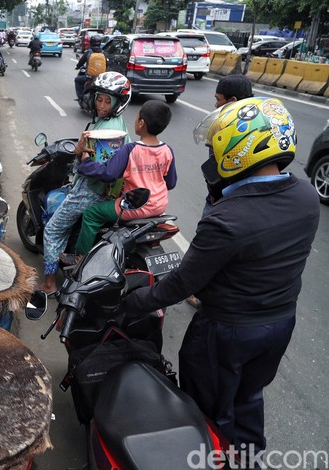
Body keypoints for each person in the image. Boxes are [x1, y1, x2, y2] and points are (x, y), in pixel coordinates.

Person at [122, 97, 320, 464]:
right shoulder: (307, 197)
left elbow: (182, 284)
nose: (211, 161)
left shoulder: (227, 218)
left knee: (209, 413)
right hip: (278, 325)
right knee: (249, 397)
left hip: (226, 333)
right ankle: (251, 458)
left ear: (237, 151)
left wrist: (134, 301)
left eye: (216, 149)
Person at [37, 72, 132, 294]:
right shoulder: (119, 124)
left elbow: (92, 166)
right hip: (108, 193)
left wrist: (80, 153)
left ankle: (50, 285)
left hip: (88, 190)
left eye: (108, 101)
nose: (102, 105)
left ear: (118, 102)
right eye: (100, 99)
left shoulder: (105, 132)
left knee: (52, 230)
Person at [60, 100, 177, 263]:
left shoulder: (130, 149)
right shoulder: (167, 150)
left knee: (91, 214)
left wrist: (86, 161)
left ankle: (80, 257)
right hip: (159, 205)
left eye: (137, 118)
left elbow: (108, 174)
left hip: (135, 207)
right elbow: (170, 183)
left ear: (141, 123)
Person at [187, 74, 254, 308]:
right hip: (250, 203)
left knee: (205, 247)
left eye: (218, 99)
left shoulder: (222, 127)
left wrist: (215, 201)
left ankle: (197, 290)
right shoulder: (259, 124)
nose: (215, 104)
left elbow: (214, 173)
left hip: (221, 201)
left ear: (232, 100)